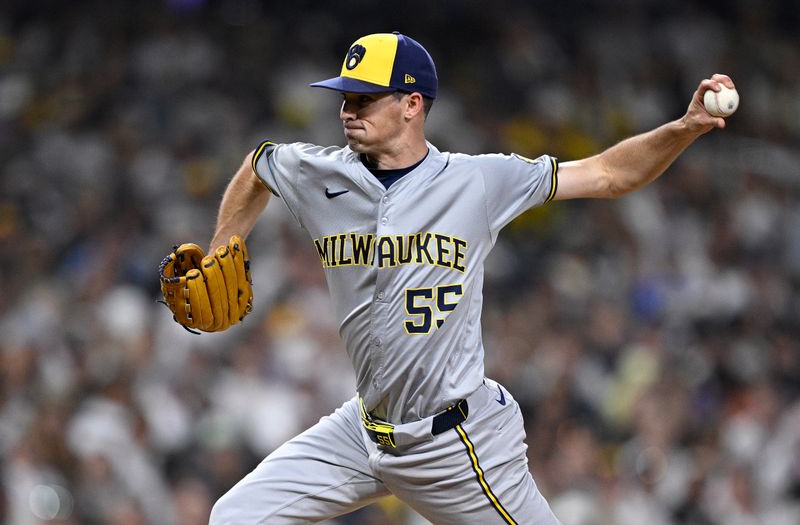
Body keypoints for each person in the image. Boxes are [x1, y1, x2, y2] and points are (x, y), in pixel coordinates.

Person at [203, 31, 735, 524]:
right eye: (345, 98)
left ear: (412, 105)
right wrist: (225, 243)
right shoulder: (319, 173)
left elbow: (609, 174)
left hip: (454, 443)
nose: (347, 110)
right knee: (234, 517)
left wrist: (683, 128)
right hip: (363, 430)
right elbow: (259, 165)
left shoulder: (478, 181)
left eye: (365, 98)